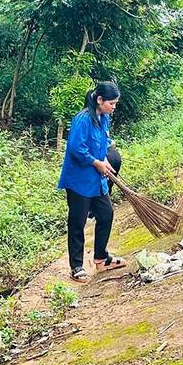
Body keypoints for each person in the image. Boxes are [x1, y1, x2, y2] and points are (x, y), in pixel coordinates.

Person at [57, 82, 126, 283]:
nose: (114, 107)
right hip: (79, 179)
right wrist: (96, 162)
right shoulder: (83, 119)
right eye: (111, 103)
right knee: (77, 221)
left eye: (115, 103)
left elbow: (102, 142)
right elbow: (76, 148)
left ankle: (101, 257)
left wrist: (103, 158)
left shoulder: (103, 118)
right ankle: (76, 265)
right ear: (99, 100)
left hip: (96, 179)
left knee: (106, 213)